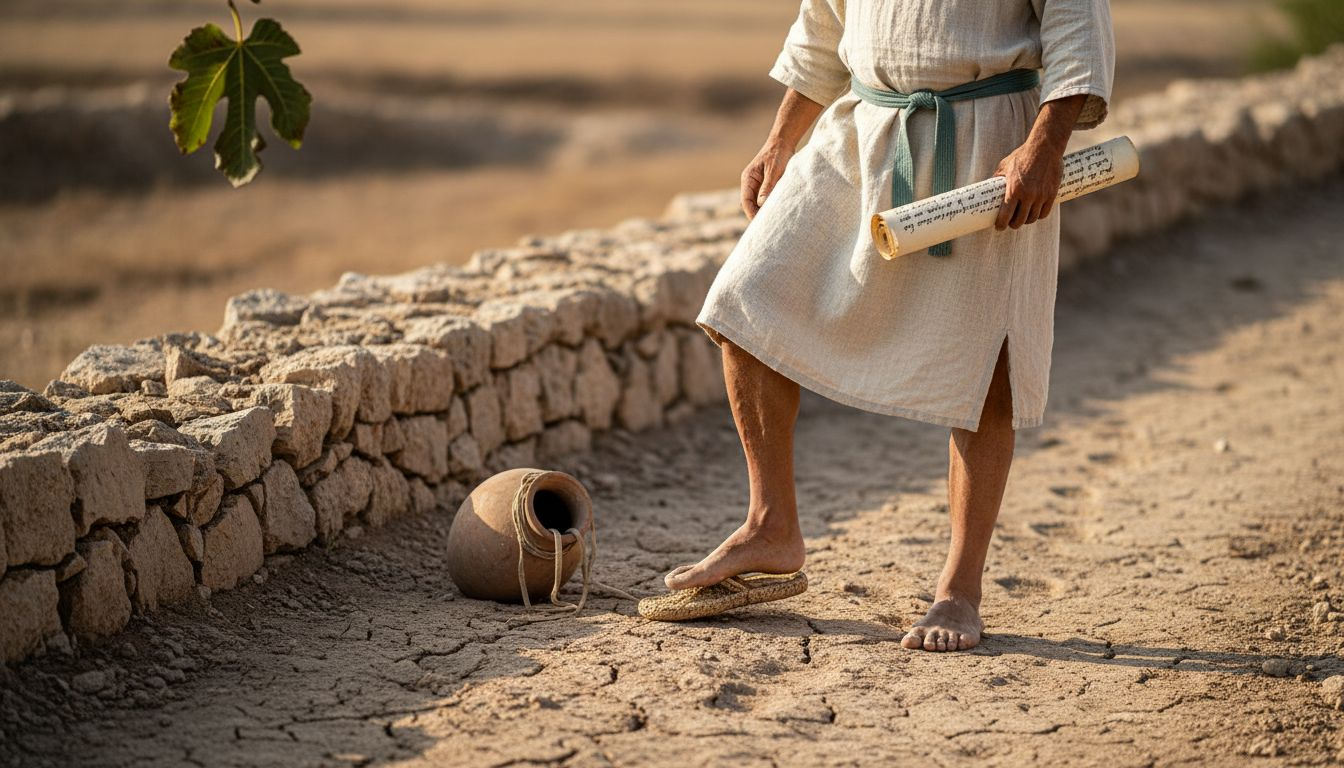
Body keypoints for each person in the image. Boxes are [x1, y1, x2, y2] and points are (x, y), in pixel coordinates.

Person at [661, 0, 1114, 651]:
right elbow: (823, 24)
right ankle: (771, 524)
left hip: (990, 145)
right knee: (745, 297)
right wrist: (781, 138)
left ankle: (960, 588)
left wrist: (1044, 146)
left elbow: (1077, 25)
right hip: (859, 130)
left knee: (988, 364)